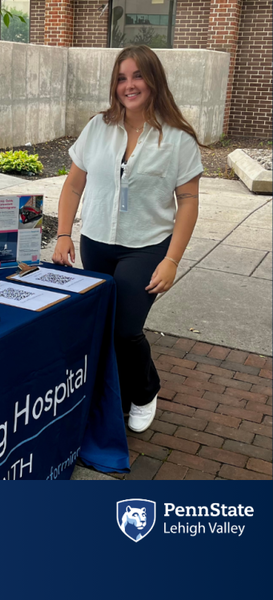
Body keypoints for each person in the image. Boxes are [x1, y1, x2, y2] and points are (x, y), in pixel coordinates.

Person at [52, 45, 203, 434]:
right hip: (98, 241)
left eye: (137, 76)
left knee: (125, 328)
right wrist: (64, 233)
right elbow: (73, 186)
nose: (129, 85)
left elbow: (187, 201)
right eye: (122, 78)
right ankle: (115, 396)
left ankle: (146, 389)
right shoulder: (98, 127)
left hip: (148, 245)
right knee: (105, 325)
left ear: (154, 80)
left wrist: (172, 260)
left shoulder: (178, 138)